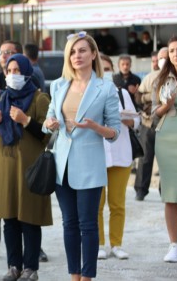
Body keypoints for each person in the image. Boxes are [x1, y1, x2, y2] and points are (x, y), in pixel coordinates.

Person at [43, 31, 120, 281]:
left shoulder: (106, 87)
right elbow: (47, 120)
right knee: (69, 224)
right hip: (61, 164)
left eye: (83, 50)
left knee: (88, 225)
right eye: (73, 52)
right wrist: (50, 122)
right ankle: (74, 276)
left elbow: (114, 131)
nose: (77, 55)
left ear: (93, 54)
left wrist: (94, 127)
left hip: (90, 165)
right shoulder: (57, 85)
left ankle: (87, 277)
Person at [0, 40, 49, 263]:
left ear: (27, 72)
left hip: (29, 167)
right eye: (9, 71)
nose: (12, 74)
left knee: (29, 219)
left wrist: (26, 120)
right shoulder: (0, 98)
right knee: (8, 219)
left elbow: (48, 134)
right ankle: (13, 266)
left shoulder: (40, 98)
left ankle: (30, 267)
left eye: (17, 70)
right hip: (4, 165)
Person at [97, 55, 139, 260]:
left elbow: (136, 121)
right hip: (96, 157)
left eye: (107, 68)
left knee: (117, 204)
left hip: (121, 155)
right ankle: (99, 244)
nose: (104, 72)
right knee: (97, 204)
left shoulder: (122, 93)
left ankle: (116, 244)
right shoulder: (89, 93)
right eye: (100, 68)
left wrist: (125, 118)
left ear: (112, 70)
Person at [151, 35, 177, 263]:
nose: (176, 54)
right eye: (172, 50)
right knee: (171, 195)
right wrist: (166, 105)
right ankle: (174, 245)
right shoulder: (163, 78)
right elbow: (154, 112)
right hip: (167, 139)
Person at [134, 47, 168, 201]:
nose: (163, 60)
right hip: (149, 124)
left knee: (167, 161)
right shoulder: (151, 77)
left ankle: (166, 191)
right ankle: (141, 190)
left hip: (169, 126)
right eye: (160, 57)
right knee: (146, 158)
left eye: (165, 57)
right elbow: (139, 96)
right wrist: (150, 97)